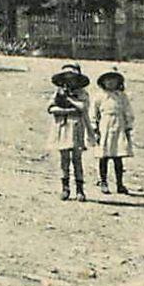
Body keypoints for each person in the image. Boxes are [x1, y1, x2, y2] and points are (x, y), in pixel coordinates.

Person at [47, 62, 95, 201]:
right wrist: (65, 110)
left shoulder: (82, 94)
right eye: (66, 78)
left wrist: (69, 99)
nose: (69, 81)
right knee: (64, 158)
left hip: (76, 127)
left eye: (72, 78)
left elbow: (82, 107)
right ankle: (65, 187)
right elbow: (51, 108)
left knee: (77, 158)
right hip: (62, 127)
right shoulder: (58, 93)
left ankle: (80, 189)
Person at [91, 68, 134, 194]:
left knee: (118, 157)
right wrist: (95, 128)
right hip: (104, 127)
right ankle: (103, 182)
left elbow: (128, 112)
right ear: (103, 82)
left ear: (118, 82)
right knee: (103, 157)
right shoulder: (99, 97)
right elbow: (94, 114)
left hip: (119, 127)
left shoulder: (122, 97)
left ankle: (120, 183)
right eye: (107, 79)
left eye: (113, 79)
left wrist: (128, 126)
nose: (110, 82)